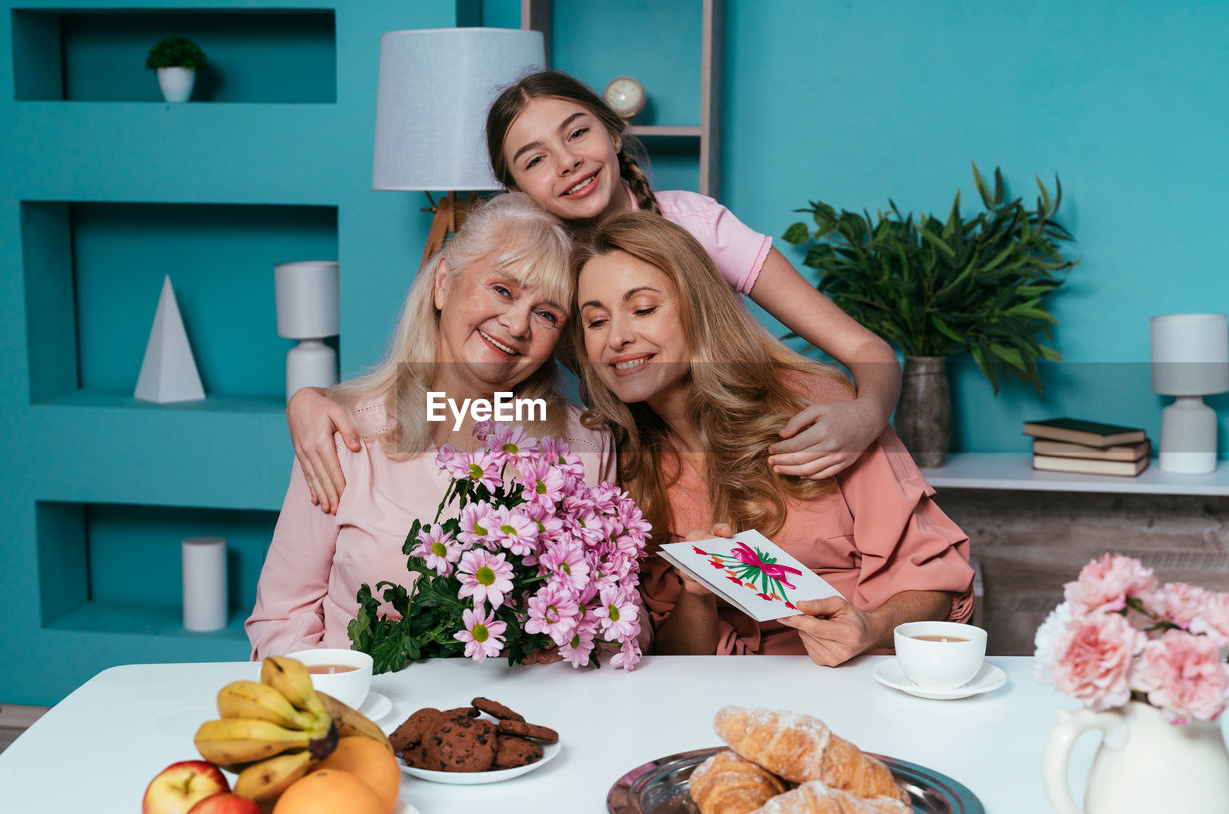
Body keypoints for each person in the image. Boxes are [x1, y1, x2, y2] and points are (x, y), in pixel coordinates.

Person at [289, 70, 902, 513]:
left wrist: (866, 413)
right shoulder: (543, 284)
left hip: (762, 444)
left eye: (577, 133)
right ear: (517, 191)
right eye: (534, 159)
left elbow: (866, 349)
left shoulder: (697, 225)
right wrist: (319, 400)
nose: (568, 162)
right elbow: (467, 388)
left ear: (612, 132)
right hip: (645, 474)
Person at [572, 210, 974, 666]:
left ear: (698, 310)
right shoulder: (618, 465)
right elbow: (672, 660)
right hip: (714, 700)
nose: (618, 338)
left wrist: (869, 629)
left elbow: (936, 580)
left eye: (643, 309)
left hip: (860, 680)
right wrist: (697, 593)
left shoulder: (818, 409)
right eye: (596, 321)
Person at [245, 193, 616, 658]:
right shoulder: (343, 433)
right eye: (503, 290)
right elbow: (282, 619)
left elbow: (614, 622)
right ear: (444, 283)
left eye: (547, 314)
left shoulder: (587, 443)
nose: (518, 324)